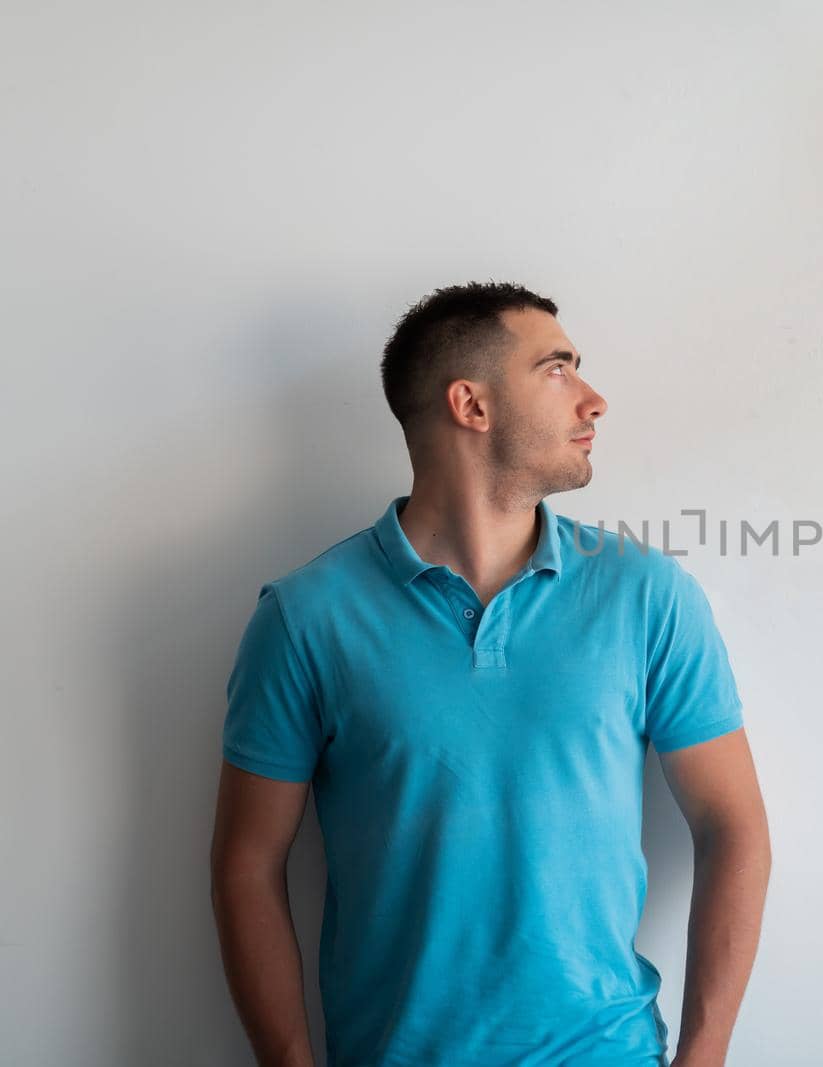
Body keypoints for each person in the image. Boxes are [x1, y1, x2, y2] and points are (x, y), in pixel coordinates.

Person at [209, 282, 771, 1067]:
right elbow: (247, 862)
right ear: (471, 405)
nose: (594, 399)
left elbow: (734, 826)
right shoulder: (307, 617)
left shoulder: (645, 595)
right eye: (557, 369)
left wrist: (704, 1057)